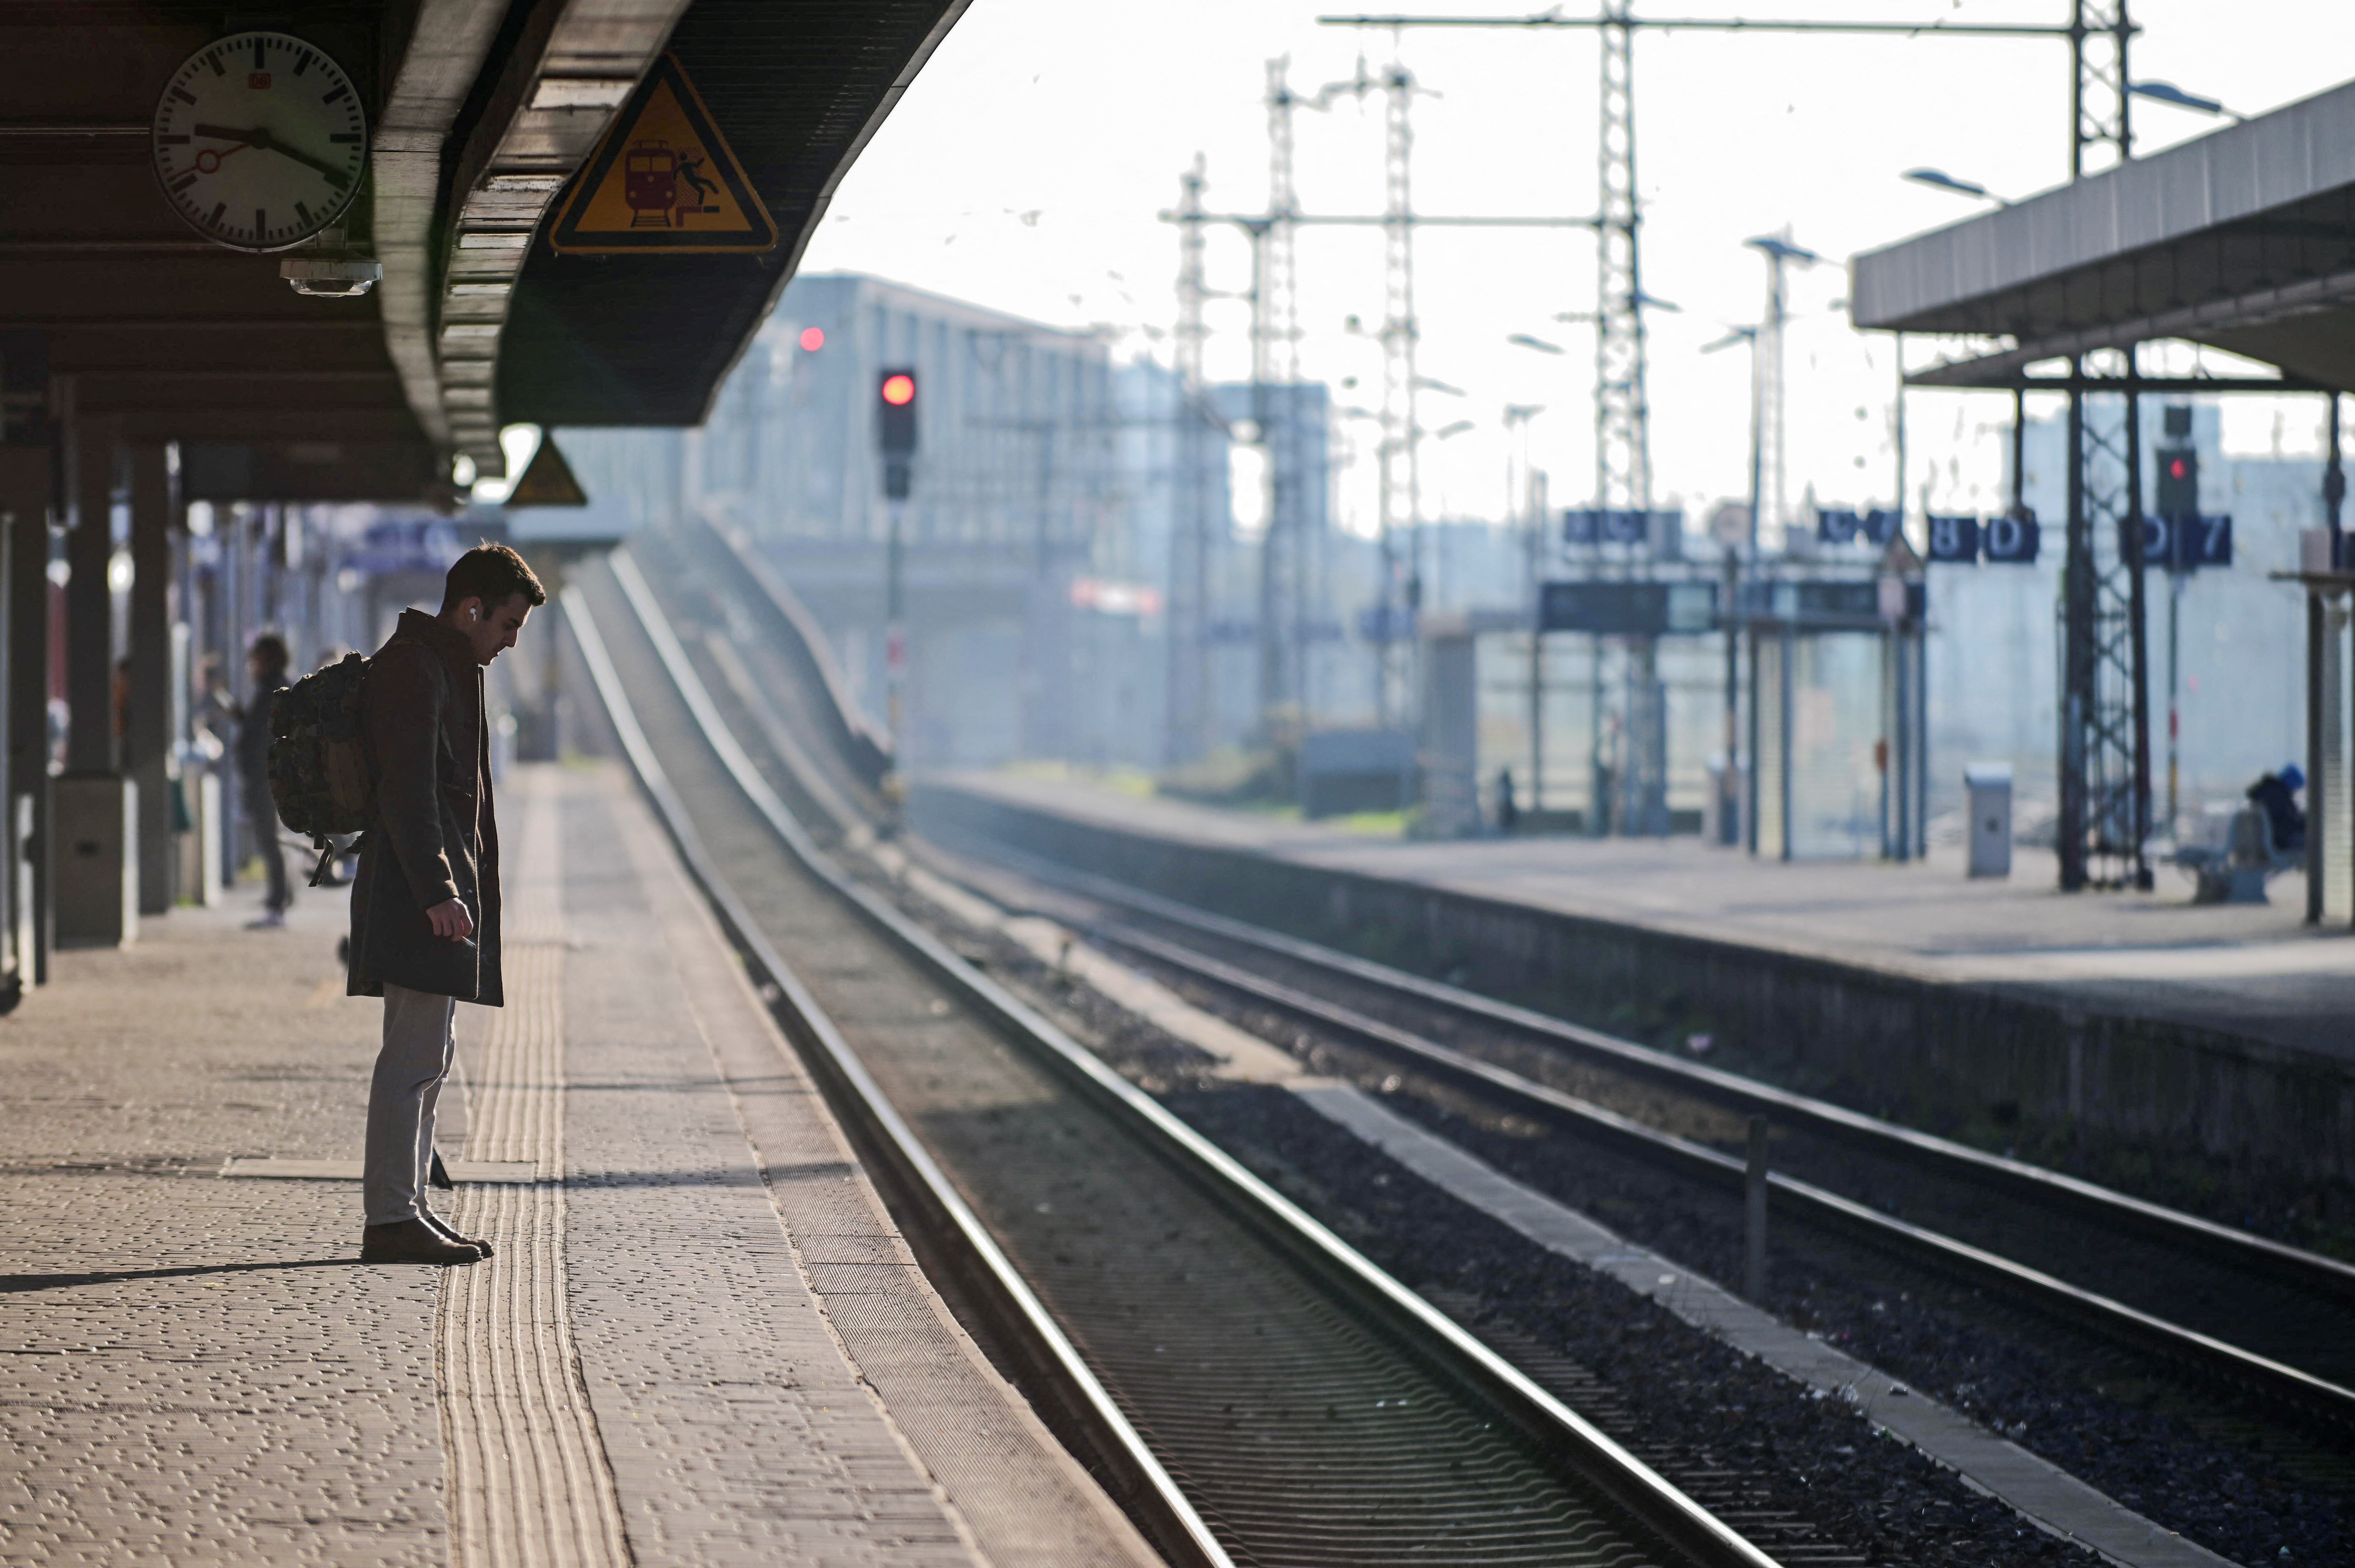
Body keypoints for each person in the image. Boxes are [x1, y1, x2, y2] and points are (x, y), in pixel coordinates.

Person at [349, 544, 544, 1266]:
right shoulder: (415, 669)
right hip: (416, 898)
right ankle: (390, 1217)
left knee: (431, 1054)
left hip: (431, 894)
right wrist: (439, 890)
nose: (512, 639)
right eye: (508, 623)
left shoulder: (445, 666)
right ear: (471, 609)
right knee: (411, 1057)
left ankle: (411, 1207)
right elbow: (409, 790)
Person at [238, 636, 294, 928]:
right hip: (270, 774)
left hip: (266, 776)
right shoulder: (276, 687)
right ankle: (283, 896)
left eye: (255, 659)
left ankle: (278, 902)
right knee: (272, 838)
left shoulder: (272, 690)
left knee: (269, 838)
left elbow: (262, 736)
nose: (252, 666)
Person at [2248, 763, 2306, 854]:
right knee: (2318, 840)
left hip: (2276, 837)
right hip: (2282, 840)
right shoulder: (2278, 796)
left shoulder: (2268, 792)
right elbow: (2287, 820)